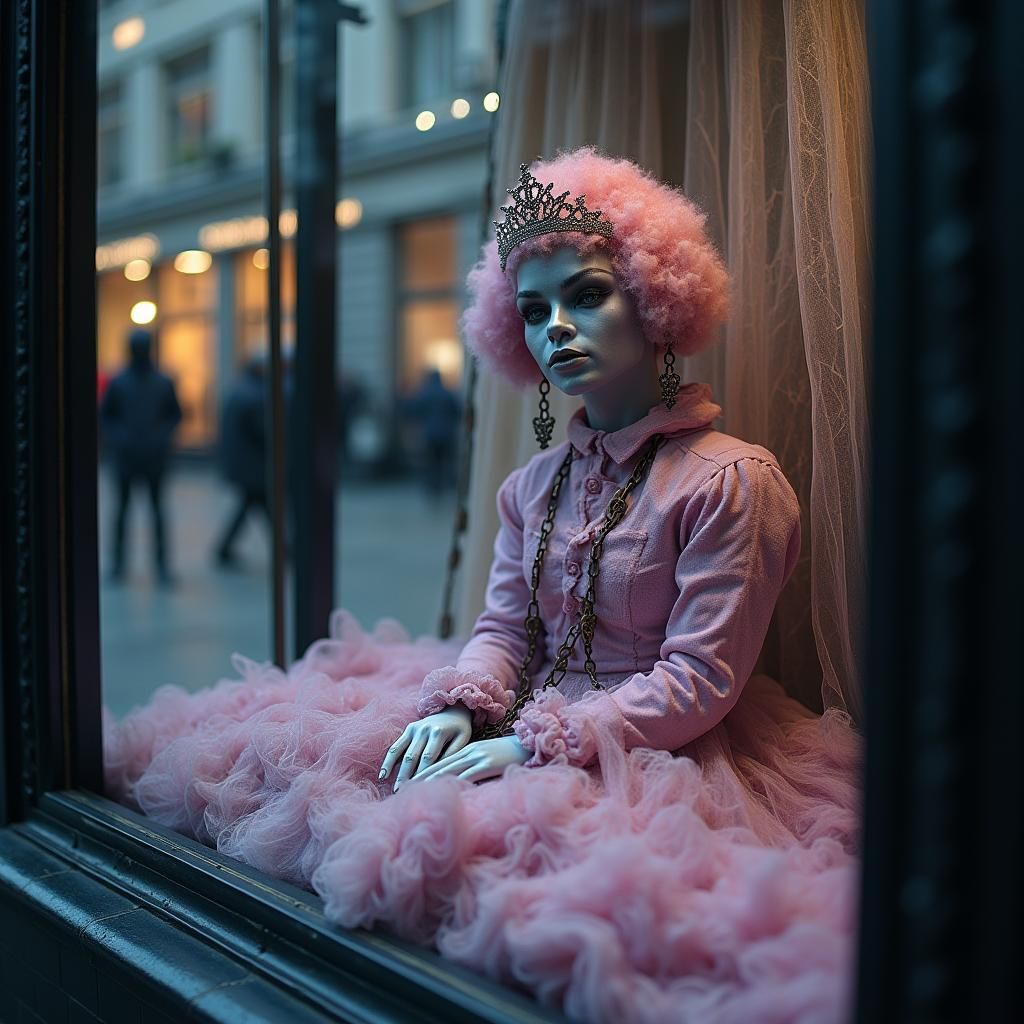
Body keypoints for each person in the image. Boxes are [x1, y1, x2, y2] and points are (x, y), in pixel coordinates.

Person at [104, 151, 860, 1024]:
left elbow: (702, 680)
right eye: (534, 311)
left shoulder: (729, 481)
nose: (556, 331)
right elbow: (504, 627)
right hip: (518, 719)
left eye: (586, 296)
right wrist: (466, 705)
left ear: (657, 302)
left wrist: (541, 744)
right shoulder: (531, 487)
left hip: (663, 754)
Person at [99, 328, 182, 585]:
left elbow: (174, 415)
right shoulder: (119, 382)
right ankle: (118, 565)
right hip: (126, 457)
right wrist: (119, 438)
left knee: (157, 512)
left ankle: (161, 566)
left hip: (154, 457)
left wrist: (162, 437)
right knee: (122, 512)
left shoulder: (162, 382)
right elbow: (106, 416)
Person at [213, 353, 269, 567]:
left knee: (251, 506)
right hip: (252, 465)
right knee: (258, 505)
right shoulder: (253, 395)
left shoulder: (240, 391)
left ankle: (224, 549)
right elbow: (260, 432)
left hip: (243, 464)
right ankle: (224, 549)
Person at [402, 367, 461, 496]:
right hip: (446, 434)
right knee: (444, 462)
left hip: (430, 434)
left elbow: (414, 411)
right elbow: (457, 411)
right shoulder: (447, 393)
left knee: (431, 462)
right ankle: (443, 485)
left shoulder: (425, 393)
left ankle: (433, 487)